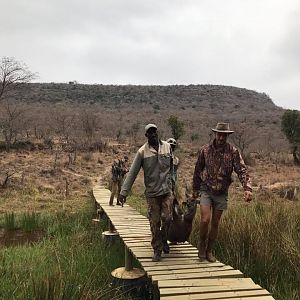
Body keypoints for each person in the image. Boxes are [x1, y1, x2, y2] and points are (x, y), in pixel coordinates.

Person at [192, 122, 252, 262]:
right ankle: (201, 247)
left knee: (215, 223)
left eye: (224, 135)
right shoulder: (205, 150)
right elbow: (197, 170)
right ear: (215, 134)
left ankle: (209, 251)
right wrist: (195, 189)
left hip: (222, 192)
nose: (221, 138)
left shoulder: (233, 152)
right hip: (206, 189)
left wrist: (247, 189)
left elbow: (242, 170)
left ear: (227, 136)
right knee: (205, 220)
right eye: (219, 134)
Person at [118, 124, 173, 262]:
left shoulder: (167, 147)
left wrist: (172, 182)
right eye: (150, 133)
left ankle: (164, 239)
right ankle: (157, 249)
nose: (153, 135)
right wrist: (123, 193)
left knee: (167, 218)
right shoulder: (142, 152)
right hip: (152, 193)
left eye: (155, 132)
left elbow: (172, 167)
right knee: (155, 222)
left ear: (157, 132)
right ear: (146, 136)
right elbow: (132, 173)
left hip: (166, 191)